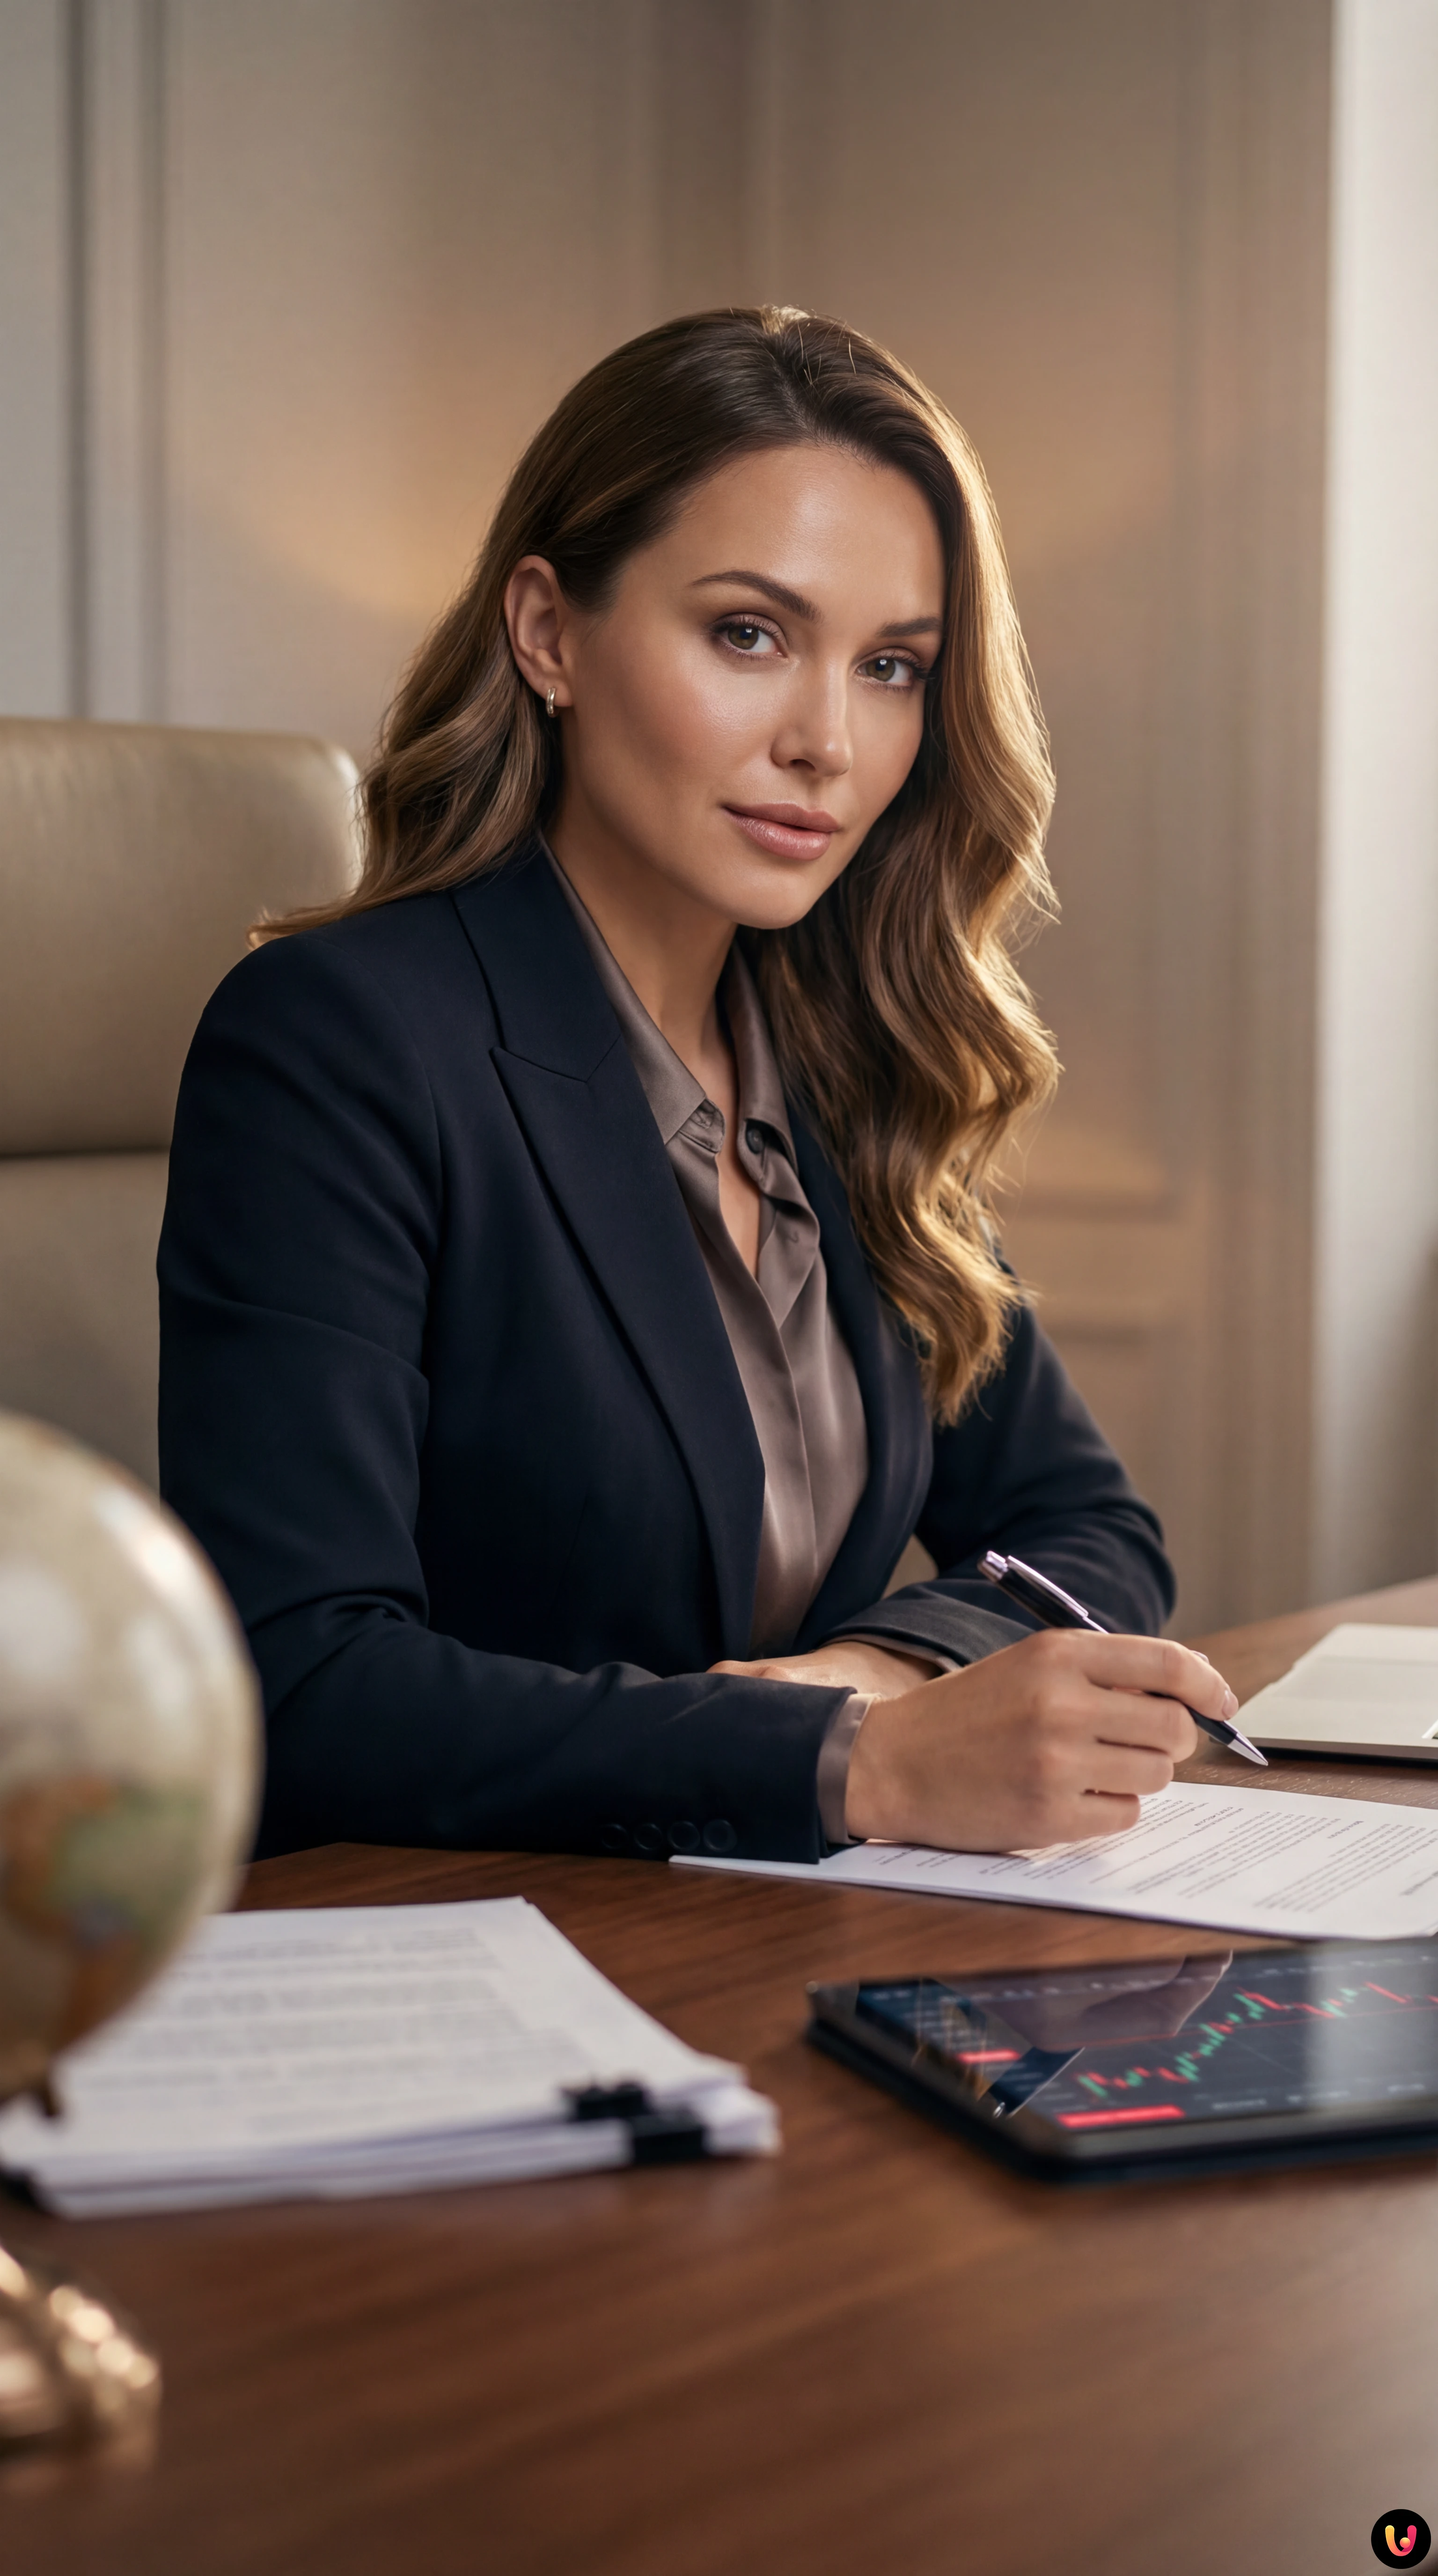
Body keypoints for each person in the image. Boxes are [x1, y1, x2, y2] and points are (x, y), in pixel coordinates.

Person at [158, 304, 1237, 1865]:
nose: (828, 741)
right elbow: (302, 1680)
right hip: (453, 1947)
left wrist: (871, 1681)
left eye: (889, 667)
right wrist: (844, 1764)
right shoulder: (337, 1039)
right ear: (548, 633)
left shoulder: (849, 1053)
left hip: (765, 1926)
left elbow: (1090, 1534)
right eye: (749, 634)